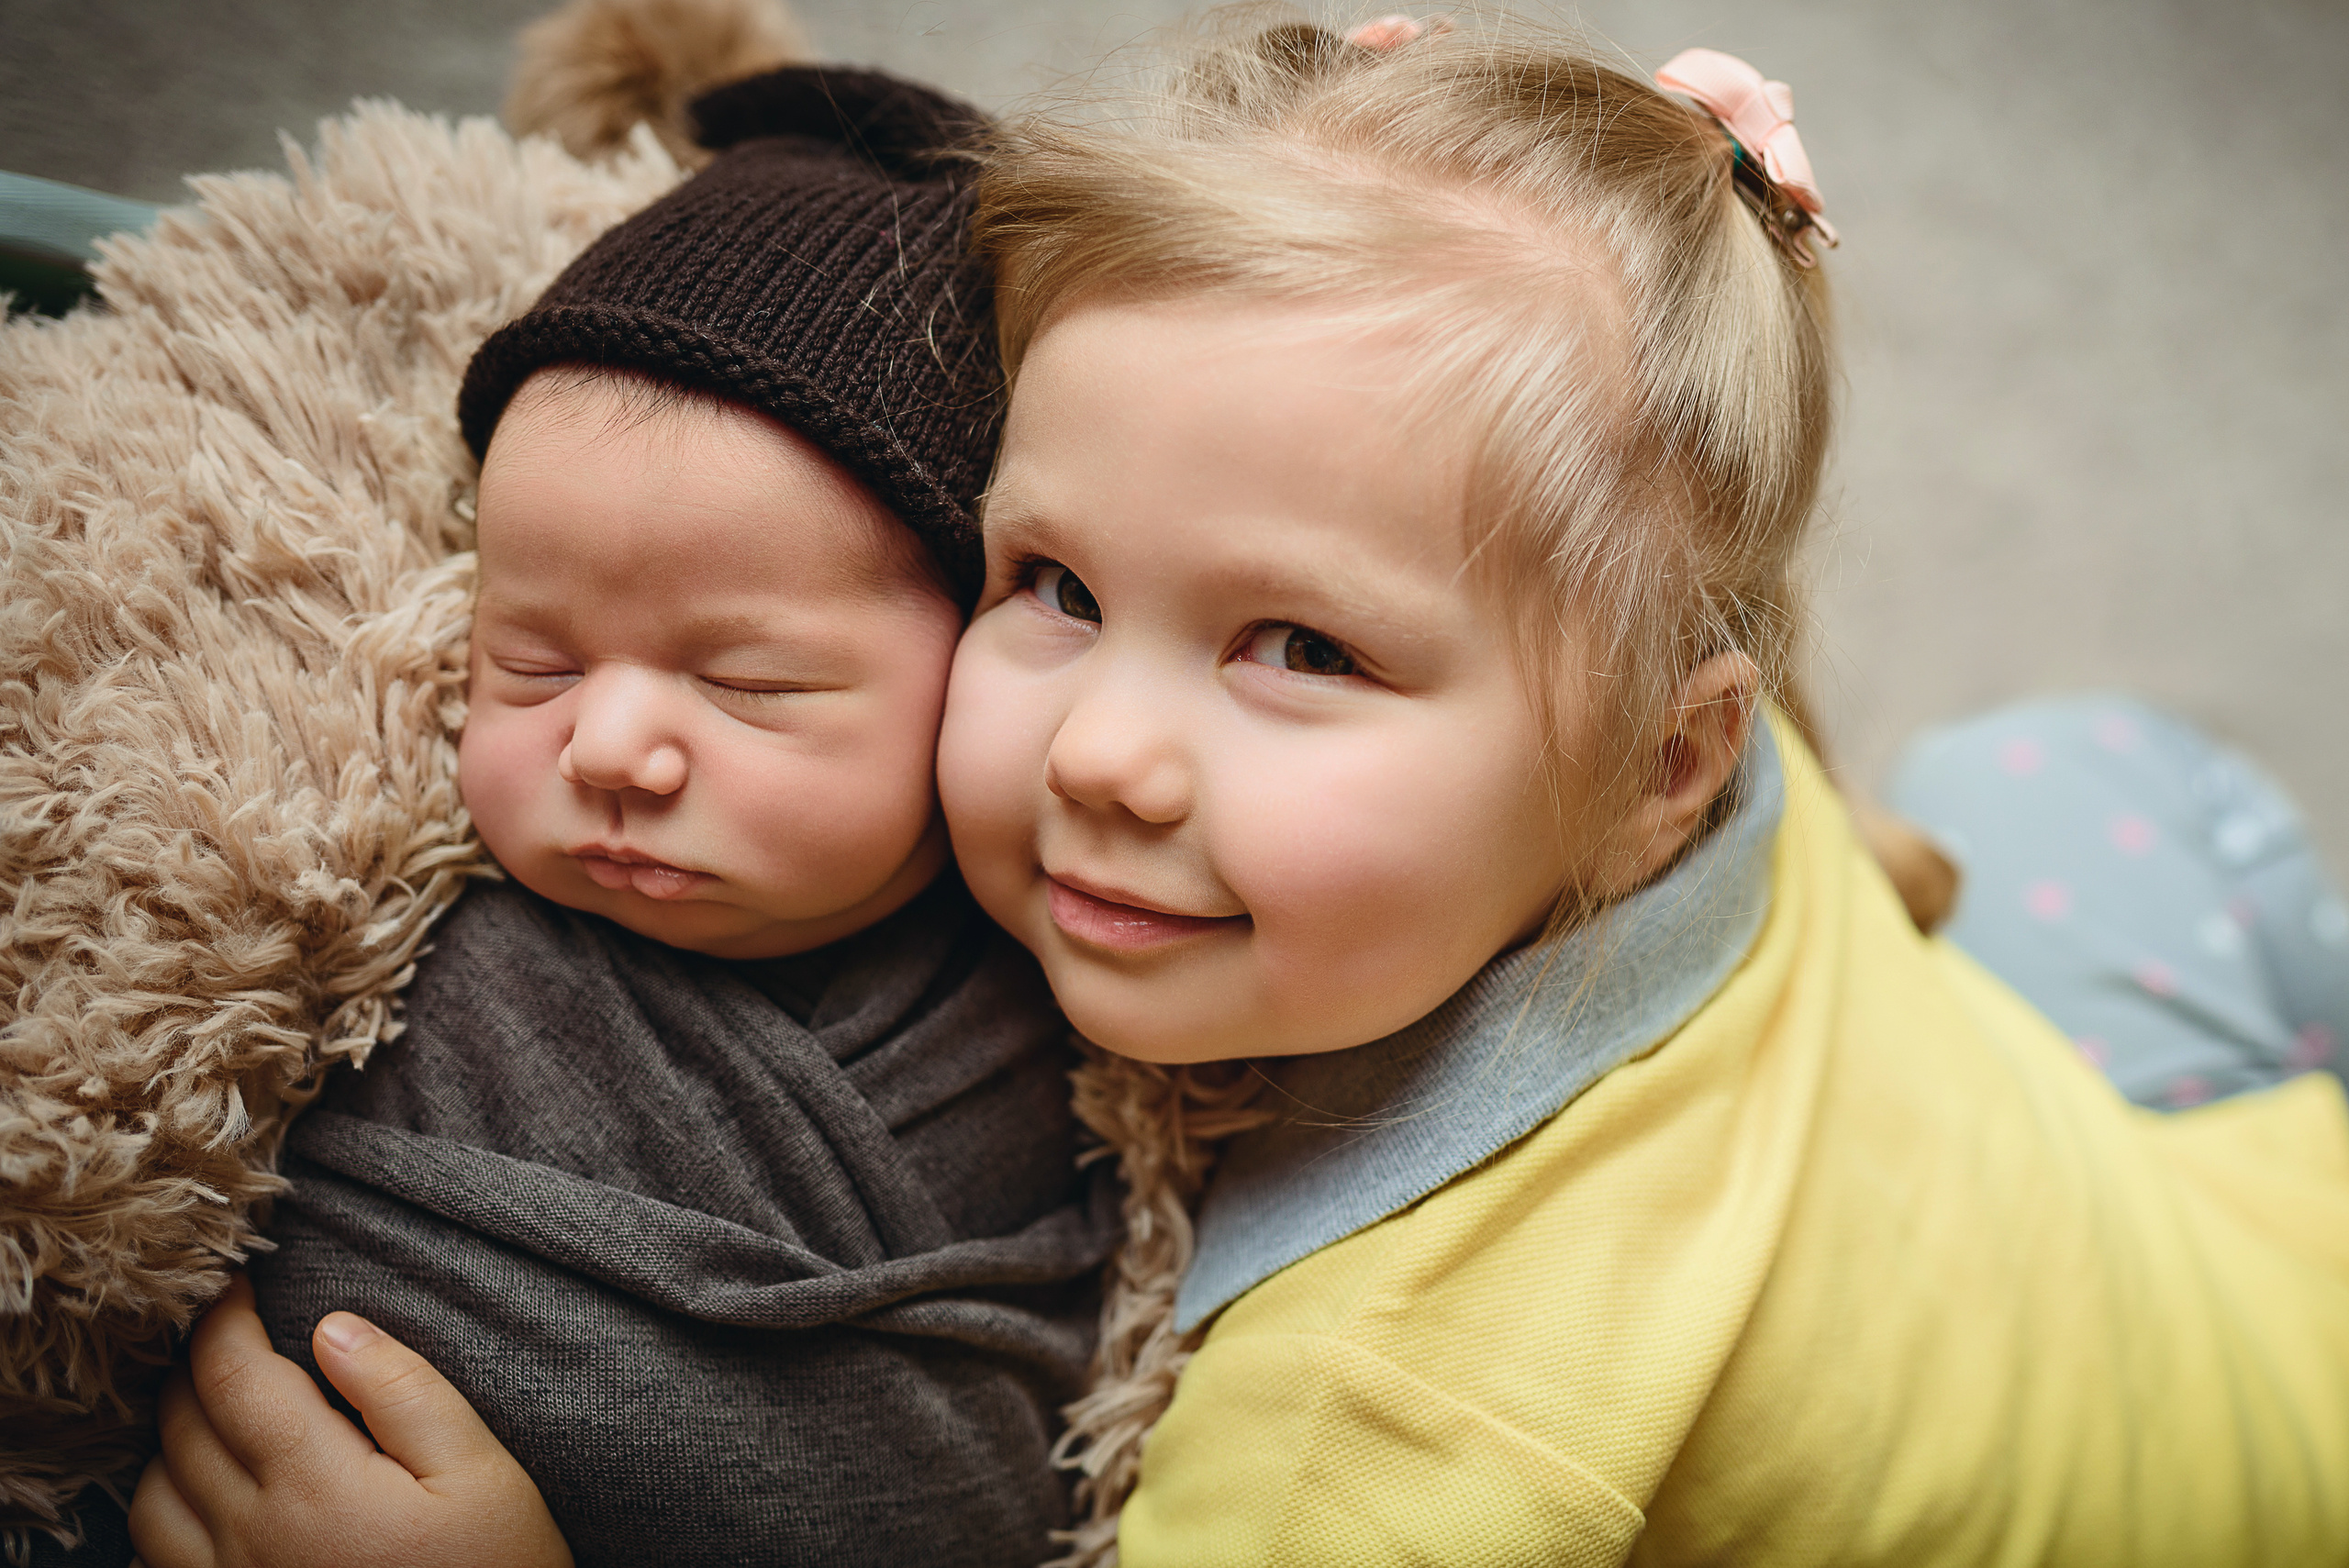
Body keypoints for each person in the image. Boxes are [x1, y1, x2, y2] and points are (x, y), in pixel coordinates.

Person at [928, 18, 2349, 1564]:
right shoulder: (1673, 731)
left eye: (1301, 648)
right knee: (2051, 768)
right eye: (1055, 583)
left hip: (2277, 1474)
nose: (1095, 754)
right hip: (2225, 1235)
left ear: (1666, 771)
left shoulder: (1372, 1417)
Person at [119, 64, 1117, 1568]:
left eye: (749, 682)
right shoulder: (371, 940)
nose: (610, 745)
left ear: (983, 662)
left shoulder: (1078, 1016)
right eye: (536, 663)